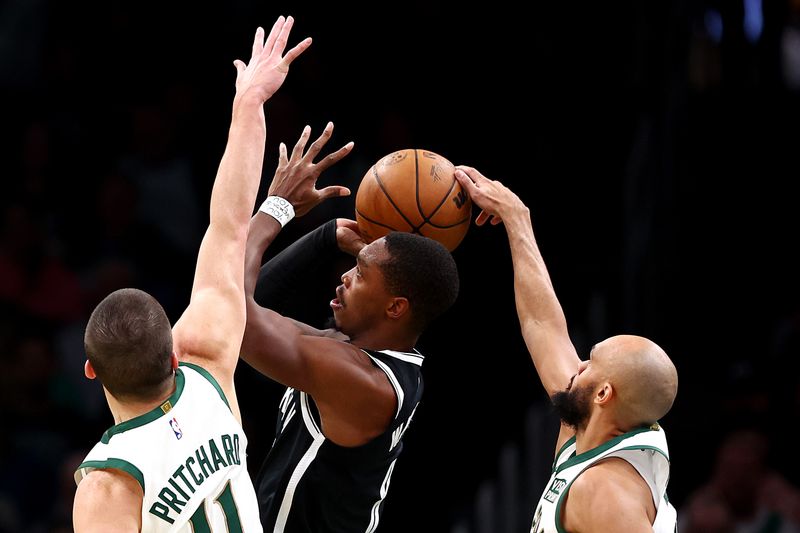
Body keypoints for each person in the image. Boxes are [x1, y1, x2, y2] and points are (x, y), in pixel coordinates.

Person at [72, 17, 311, 532]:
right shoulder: (207, 368)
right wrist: (250, 104)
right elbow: (228, 229)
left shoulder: (106, 484)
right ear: (174, 351)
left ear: (91, 370)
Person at [238, 124, 461, 532]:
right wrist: (325, 237)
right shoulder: (356, 352)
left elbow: (232, 315)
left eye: (359, 272)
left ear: (396, 307)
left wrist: (278, 206)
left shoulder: (360, 381)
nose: (343, 277)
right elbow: (253, 301)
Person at [453, 167, 679, 533]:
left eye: (590, 362)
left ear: (604, 393)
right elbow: (543, 326)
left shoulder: (604, 491)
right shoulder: (589, 430)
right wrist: (516, 219)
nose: (579, 365)